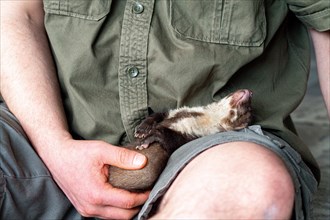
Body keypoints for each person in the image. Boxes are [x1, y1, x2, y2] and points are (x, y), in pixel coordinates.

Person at [0, 0, 329, 219]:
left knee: (251, 188)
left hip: (215, 144)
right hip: (45, 127)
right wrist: (54, 144)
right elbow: (17, 16)